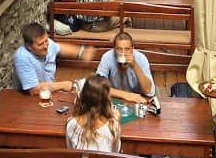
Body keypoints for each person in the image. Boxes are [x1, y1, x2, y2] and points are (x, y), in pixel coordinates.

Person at [12, 23, 147, 103]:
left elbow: (59, 47)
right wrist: (62, 85)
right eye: (41, 44)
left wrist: (81, 52)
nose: (46, 45)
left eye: (46, 40)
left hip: (49, 92)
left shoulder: (48, 44)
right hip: (29, 99)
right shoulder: (22, 57)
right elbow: (34, 90)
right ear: (29, 46)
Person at [65, 74, 124, 158]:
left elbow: (70, 152)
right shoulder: (112, 127)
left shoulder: (70, 124)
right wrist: (115, 120)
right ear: (106, 101)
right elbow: (115, 154)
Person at [96, 31, 155, 99]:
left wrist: (135, 65)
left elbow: (148, 90)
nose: (123, 53)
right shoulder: (107, 57)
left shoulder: (141, 58)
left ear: (132, 48)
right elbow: (98, 86)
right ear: (114, 49)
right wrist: (126, 95)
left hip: (137, 98)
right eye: (119, 49)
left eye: (127, 49)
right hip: (115, 97)